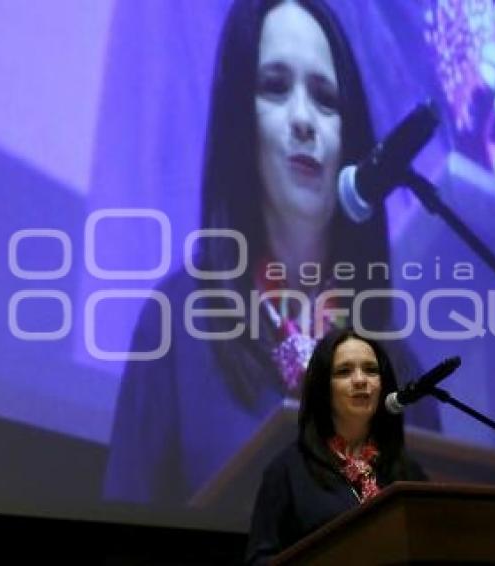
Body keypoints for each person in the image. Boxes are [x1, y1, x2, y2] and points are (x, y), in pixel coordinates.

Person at [103, 0, 439, 507]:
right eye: (276, 88)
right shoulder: (173, 327)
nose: (304, 119)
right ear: (242, 120)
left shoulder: (400, 370)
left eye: (326, 98)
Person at [244, 328, 428, 564]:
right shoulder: (287, 472)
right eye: (344, 371)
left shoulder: (409, 473)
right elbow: (260, 559)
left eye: (371, 370)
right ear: (323, 388)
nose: (361, 380)